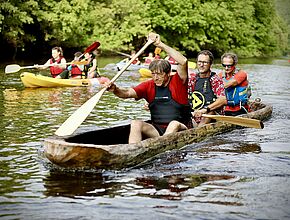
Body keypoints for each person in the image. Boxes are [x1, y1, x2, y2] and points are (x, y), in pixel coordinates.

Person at [107, 33, 192, 144]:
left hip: (182, 128)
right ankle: (132, 150)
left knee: (173, 124)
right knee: (136, 123)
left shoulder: (178, 82)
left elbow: (183, 61)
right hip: (158, 130)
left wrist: (160, 44)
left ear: (168, 74)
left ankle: (159, 147)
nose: (155, 78)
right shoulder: (149, 85)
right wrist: (115, 89)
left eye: (159, 74)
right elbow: (126, 93)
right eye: (153, 74)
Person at [188, 50, 226, 126]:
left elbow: (223, 99)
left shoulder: (215, 80)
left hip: (210, 115)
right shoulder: (192, 79)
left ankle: (198, 130)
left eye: (205, 62)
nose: (201, 65)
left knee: (210, 112)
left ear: (210, 64)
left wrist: (205, 110)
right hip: (194, 115)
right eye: (199, 62)